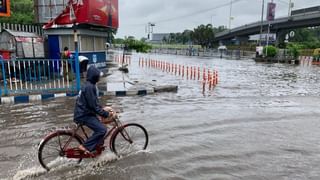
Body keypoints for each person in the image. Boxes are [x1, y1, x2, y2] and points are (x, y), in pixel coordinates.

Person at [73, 65, 114, 154]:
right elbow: (94, 107)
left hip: (84, 113)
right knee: (102, 130)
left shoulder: (89, 85)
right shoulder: (90, 87)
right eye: (98, 76)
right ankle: (84, 146)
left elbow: (94, 104)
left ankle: (95, 147)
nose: (99, 78)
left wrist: (103, 108)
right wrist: (106, 114)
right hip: (84, 115)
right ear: (94, 76)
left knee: (99, 126)